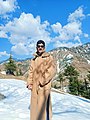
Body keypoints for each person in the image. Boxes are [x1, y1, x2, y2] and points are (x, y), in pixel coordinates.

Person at [27, 40, 56, 120]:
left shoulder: (49, 58)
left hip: (44, 87)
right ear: (36, 47)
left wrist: (41, 81)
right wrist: (29, 83)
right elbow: (31, 72)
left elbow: (51, 71)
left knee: (43, 108)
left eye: (42, 46)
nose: (40, 47)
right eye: (38, 46)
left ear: (44, 47)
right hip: (34, 87)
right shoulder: (33, 60)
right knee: (35, 108)